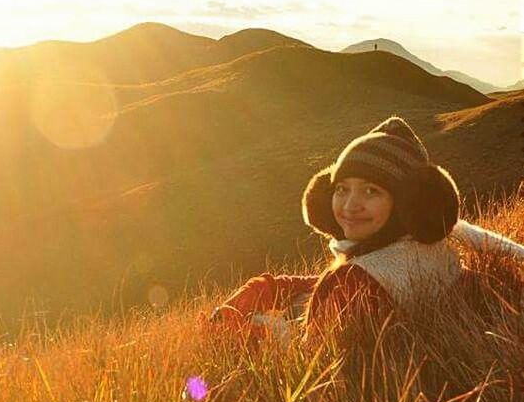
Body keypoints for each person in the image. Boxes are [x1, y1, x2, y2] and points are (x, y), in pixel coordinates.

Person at [209, 115, 524, 347]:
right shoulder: (430, 247)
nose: (350, 205)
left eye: (372, 191)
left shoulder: (355, 282)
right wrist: (267, 287)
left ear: (407, 203)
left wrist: (239, 325)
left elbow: (309, 352)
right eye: (342, 188)